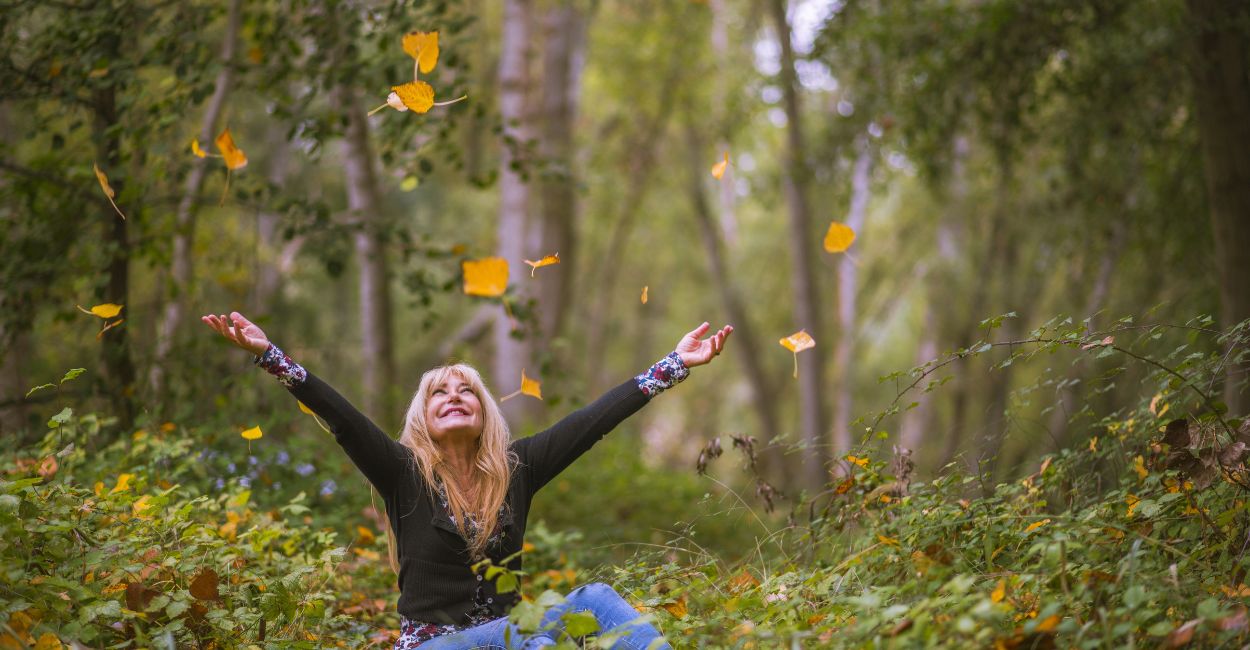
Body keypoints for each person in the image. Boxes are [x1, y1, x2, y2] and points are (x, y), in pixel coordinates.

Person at [201, 311, 733, 649]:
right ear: (422, 416)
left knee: (584, 605)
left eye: (467, 391)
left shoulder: (517, 469)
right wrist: (270, 356)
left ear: (484, 413)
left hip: (510, 637)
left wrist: (674, 364)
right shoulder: (403, 473)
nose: (454, 396)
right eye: (439, 392)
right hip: (433, 646)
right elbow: (341, 417)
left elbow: (592, 421)